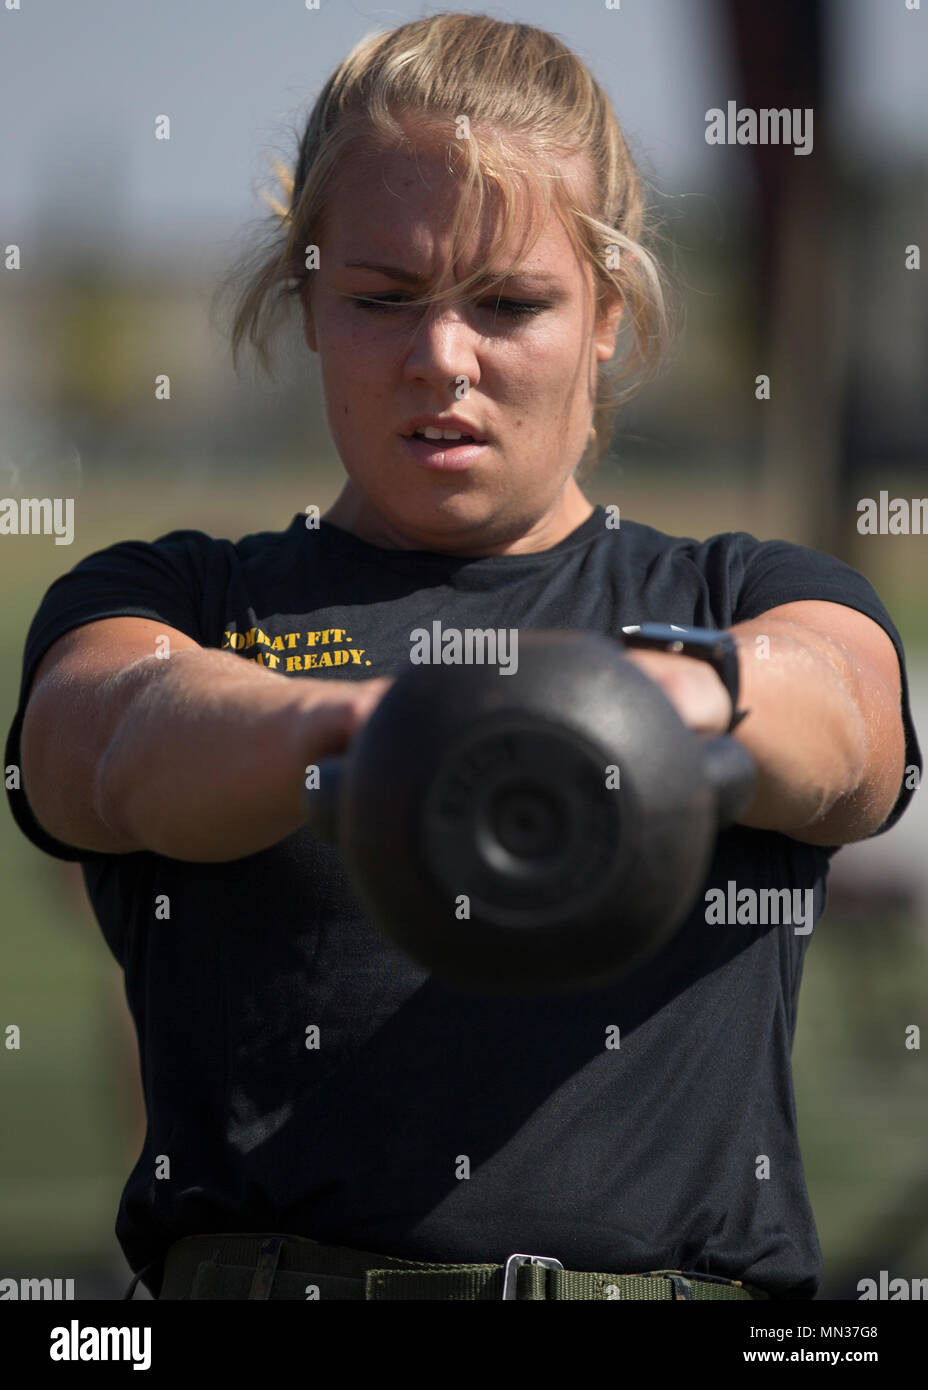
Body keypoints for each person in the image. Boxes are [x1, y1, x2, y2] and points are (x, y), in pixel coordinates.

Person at [5, 12, 921, 1303]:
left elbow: (851, 727)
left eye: (509, 302)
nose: (443, 357)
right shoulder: (177, 598)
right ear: (307, 300)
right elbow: (98, 742)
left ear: (605, 315)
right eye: (383, 298)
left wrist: (645, 704)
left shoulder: (735, 595)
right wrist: (372, 732)